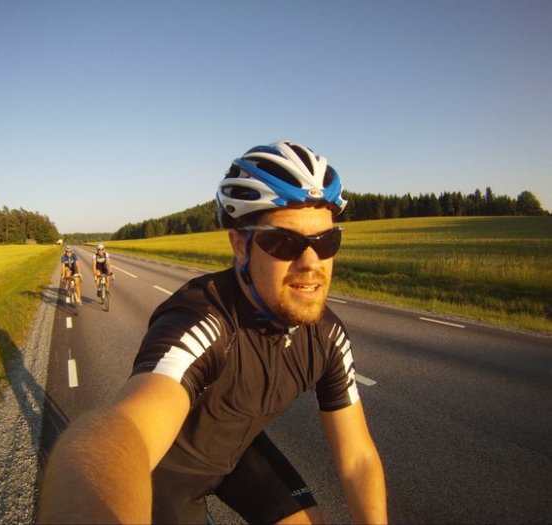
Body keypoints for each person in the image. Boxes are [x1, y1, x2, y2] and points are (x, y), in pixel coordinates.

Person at [38, 140, 387, 524]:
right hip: (167, 475)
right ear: (240, 245)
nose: (311, 262)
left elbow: (357, 458)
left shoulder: (328, 336)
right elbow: (117, 436)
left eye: (326, 241)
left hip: (240, 450)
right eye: (284, 242)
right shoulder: (203, 321)